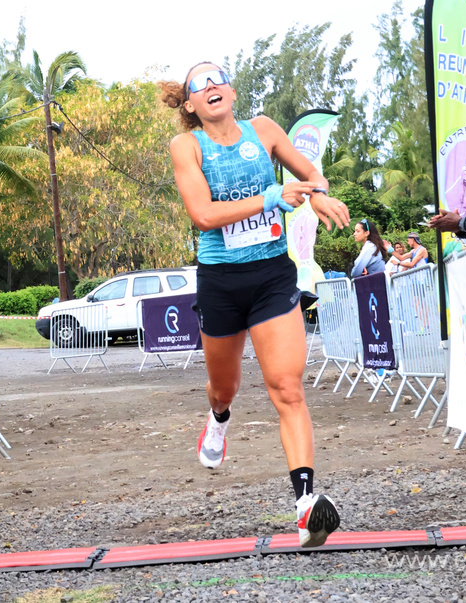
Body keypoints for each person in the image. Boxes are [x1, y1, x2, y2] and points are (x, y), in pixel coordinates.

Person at [162, 62, 348, 547]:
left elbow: (310, 174)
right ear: (190, 105)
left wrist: (319, 195)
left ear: (232, 89)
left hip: (271, 276)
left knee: (287, 387)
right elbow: (203, 215)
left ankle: (306, 505)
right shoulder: (186, 146)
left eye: (217, 76)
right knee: (224, 387)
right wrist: (271, 198)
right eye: (198, 84)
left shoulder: (263, 131)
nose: (210, 86)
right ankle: (219, 419)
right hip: (221, 282)